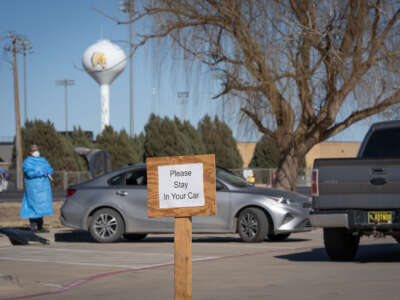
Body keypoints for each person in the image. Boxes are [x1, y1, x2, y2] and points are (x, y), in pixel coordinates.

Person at [20, 144, 54, 233]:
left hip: (44, 188)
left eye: (37, 149)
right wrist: (41, 172)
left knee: (41, 206)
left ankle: (40, 226)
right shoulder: (27, 162)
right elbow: (29, 173)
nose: (36, 151)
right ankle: (33, 225)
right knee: (33, 206)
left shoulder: (43, 160)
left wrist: (49, 171)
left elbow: (50, 169)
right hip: (33, 188)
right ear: (30, 152)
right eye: (34, 150)